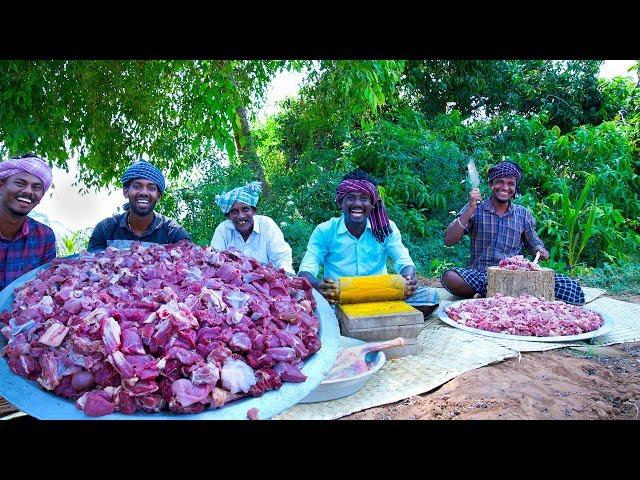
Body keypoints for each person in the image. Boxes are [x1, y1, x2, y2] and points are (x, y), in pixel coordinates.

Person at [298, 169, 440, 317]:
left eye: (364, 198)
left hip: (380, 296)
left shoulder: (385, 228)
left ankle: (354, 322)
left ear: (372, 204)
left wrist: (408, 279)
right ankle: (374, 320)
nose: (357, 204)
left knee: (430, 298)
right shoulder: (325, 231)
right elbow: (306, 269)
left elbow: (403, 260)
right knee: (305, 305)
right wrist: (318, 286)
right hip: (338, 298)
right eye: (351, 198)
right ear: (341, 203)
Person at [441, 160, 585, 305]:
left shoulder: (522, 214)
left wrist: (539, 250)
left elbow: (533, 242)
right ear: (491, 185)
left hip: (516, 276)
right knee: (450, 278)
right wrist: (470, 209)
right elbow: (449, 240)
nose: (505, 187)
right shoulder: (475, 208)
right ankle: (511, 295)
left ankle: (494, 295)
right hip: (482, 275)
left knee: (571, 287)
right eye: (500, 182)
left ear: (515, 188)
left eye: (511, 184)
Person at [88, 159, 190, 251]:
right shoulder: (105, 229)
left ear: (158, 196)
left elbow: (190, 262)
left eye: (151, 188)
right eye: (137, 186)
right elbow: (90, 265)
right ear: (126, 192)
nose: (144, 193)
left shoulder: (174, 233)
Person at [0, 153, 57, 291]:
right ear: (1, 186)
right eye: (20, 183)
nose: (28, 191)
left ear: (41, 197)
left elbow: (45, 288)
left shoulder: (44, 236)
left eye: (36, 187)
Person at [211, 181, 294, 274]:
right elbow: (215, 260)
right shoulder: (223, 230)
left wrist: (285, 279)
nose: (241, 216)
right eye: (234, 212)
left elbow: (282, 259)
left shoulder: (267, 225)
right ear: (229, 216)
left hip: (266, 281)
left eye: (245, 209)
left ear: (254, 211)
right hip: (232, 283)